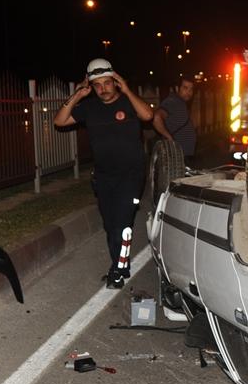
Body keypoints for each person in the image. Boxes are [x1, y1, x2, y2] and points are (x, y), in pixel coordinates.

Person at [54, 58, 154, 289]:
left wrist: (127, 89)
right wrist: (78, 94)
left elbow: (148, 116)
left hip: (131, 176)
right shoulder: (89, 108)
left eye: (107, 83)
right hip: (104, 177)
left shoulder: (129, 103)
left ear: (115, 82)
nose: (102, 89)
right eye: (97, 85)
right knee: (110, 225)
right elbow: (59, 121)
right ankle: (121, 264)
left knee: (122, 223)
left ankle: (117, 270)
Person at [152, 77, 197, 166]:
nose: (189, 92)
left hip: (183, 155)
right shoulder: (172, 101)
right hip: (176, 157)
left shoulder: (181, 103)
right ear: (177, 88)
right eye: (185, 88)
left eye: (191, 89)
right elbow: (156, 118)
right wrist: (169, 138)